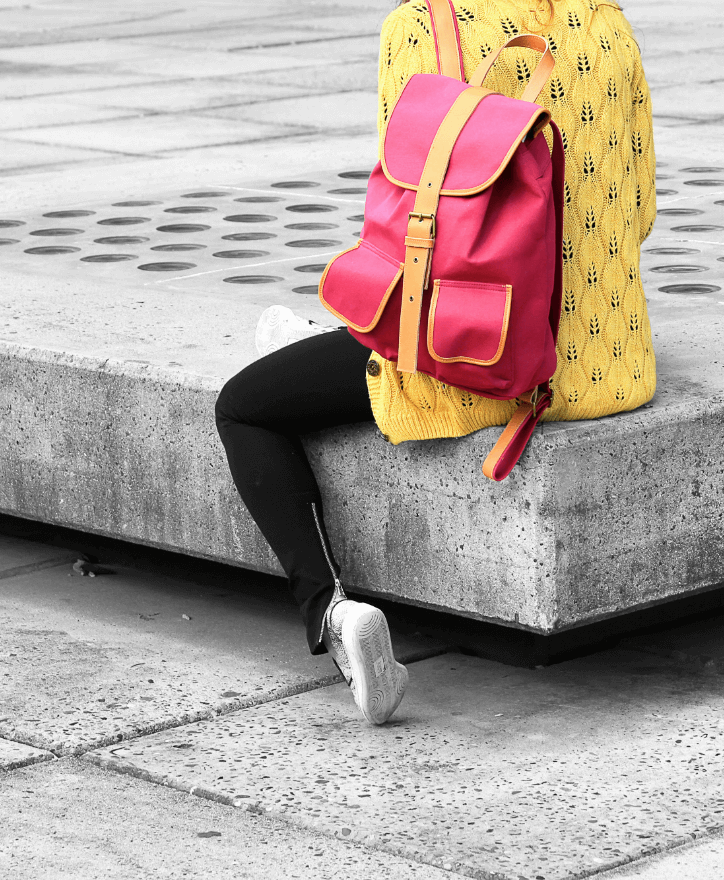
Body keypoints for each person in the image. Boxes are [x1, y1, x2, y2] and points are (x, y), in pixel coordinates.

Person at [214, 0, 658, 725]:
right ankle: (307, 340)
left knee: (244, 406)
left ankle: (332, 615)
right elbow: (638, 208)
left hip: (480, 358)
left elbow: (412, 216)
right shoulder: (605, 21)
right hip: (610, 360)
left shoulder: (423, 26)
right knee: (319, 344)